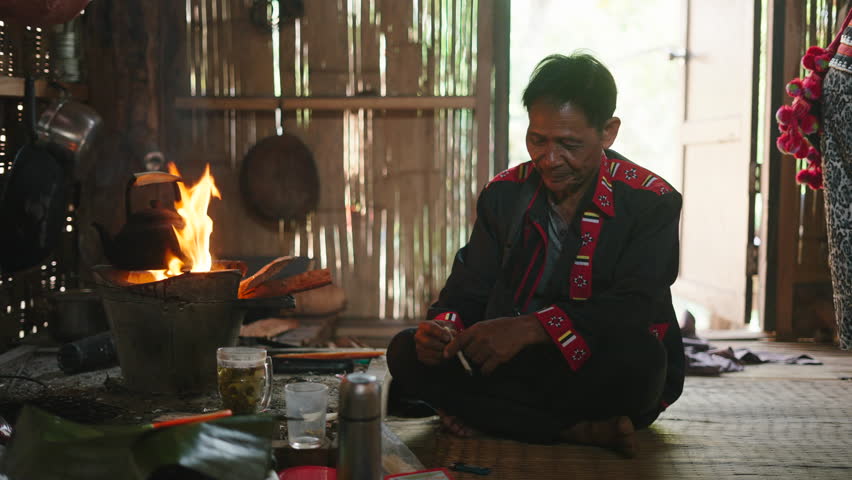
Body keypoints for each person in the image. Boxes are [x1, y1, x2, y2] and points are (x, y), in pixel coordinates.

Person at [387, 52, 685, 456]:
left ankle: (491, 417)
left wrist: (530, 329)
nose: (549, 158)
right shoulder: (504, 194)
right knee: (405, 352)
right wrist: (442, 330)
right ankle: (575, 430)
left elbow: (633, 307)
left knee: (645, 362)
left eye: (569, 144)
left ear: (608, 132)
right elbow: (466, 291)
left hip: (595, 364)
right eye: (537, 140)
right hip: (510, 363)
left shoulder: (652, 202)